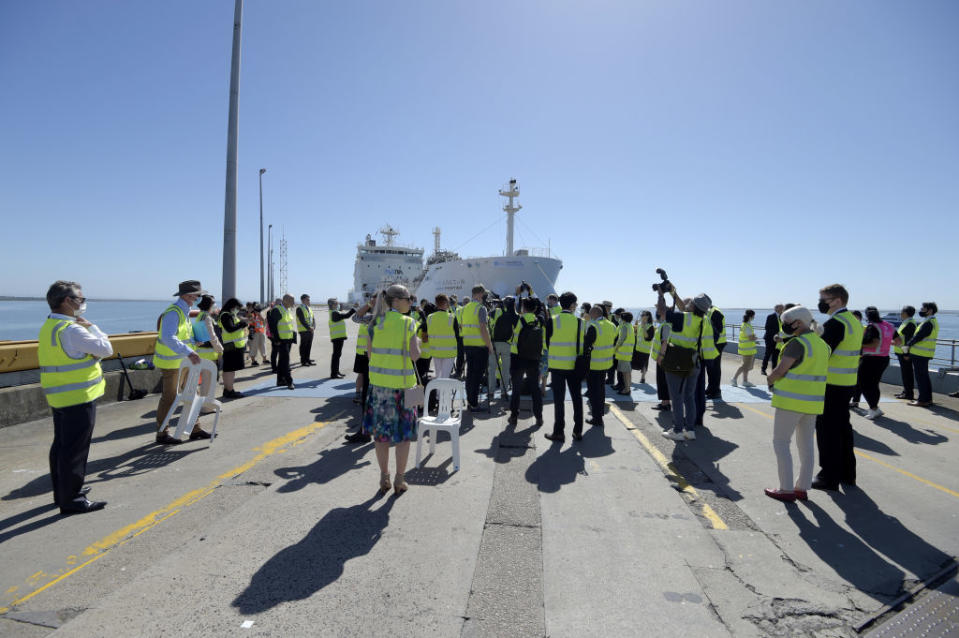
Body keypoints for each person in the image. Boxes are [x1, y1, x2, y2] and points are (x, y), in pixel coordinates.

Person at [39, 281, 112, 514]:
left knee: (61, 446)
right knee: (75, 450)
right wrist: (92, 327)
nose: (82, 303)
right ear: (67, 301)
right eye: (80, 299)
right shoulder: (73, 329)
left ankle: (62, 492)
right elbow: (105, 349)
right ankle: (73, 499)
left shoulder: (50, 326)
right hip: (79, 397)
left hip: (59, 396)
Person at [764, 306, 829, 502]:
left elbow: (781, 370)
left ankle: (785, 489)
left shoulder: (797, 343)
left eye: (787, 322)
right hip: (813, 403)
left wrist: (769, 380)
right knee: (806, 445)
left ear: (798, 323)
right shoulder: (822, 344)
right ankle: (802, 487)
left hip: (790, 402)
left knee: (781, 443)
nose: (785, 326)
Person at [363, 284, 420, 495]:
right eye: (409, 299)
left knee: (381, 437)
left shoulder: (374, 323)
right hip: (406, 387)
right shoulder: (409, 323)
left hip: (379, 389)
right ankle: (400, 479)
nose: (411, 302)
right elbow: (415, 355)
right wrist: (418, 345)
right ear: (396, 301)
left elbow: (370, 355)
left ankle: (384, 477)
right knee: (405, 437)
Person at [812, 284, 863, 491]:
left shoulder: (836, 323)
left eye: (824, 299)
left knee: (827, 431)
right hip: (847, 383)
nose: (821, 303)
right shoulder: (854, 321)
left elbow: (821, 353)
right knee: (843, 429)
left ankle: (828, 476)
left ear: (838, 300)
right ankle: (847, 473)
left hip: (831, 384)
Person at [153, 280, 211, 445]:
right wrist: (189, 351)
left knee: (193, 395)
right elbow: (168, 337)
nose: (198, 298)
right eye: (196, 295)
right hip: (173, 364)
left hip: (183, 362)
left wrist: (194, 341)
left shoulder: (183, 311)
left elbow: (181, 337)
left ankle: (195, 429)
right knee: (170, 398)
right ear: (187, 296)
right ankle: (162, 433)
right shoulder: (174, 312)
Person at [656, 286, 709, 442]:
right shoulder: (704, 320)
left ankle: (677, 430)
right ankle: (690, 430)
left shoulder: (683, 318)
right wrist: (672, 291)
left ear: (693, 306)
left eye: (691, 302)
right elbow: (681, 307)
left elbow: (662, 312)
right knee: (689, 397)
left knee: (677, 397)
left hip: (677, 361)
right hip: (695, 362)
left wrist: (660, 295)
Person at [544, 291, 585, 443]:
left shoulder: (552, 320)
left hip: (556, 366)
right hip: (574, 365)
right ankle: (578, 431)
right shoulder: (580, 322)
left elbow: (547, 342)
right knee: (577, 398)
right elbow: (581, 345)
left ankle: (559, 432)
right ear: (573, 305)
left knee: (559, 400)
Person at [507, 296, 545, 427]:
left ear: (523, 307)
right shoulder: (539, 320)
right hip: (534, 358)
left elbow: (515, 337)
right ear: (535, 308)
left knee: (516, 388)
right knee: (535, 388)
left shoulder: (520, 319)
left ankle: (513, 416)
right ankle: (539, 417)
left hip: (518, 357)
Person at [858, 306, 899, 419]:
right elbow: (899, 342)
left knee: (863, 383)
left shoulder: (872, 327)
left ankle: (873, 408)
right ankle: (875, 408)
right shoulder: (889, 326)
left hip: (871, 359)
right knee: (874, 384)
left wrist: (858, 344)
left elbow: (874, 344)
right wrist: (886, 343)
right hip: (884, 358)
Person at [459, 285, 495, 410]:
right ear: (480, 294)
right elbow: (483, 329)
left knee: (470, 375)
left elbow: (462, 326)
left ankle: (470, 401)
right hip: (480, 346)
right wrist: (489, 345)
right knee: (477, 376)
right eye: (484, 294)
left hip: (468, 345)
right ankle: (473, 403)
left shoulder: (464, 308)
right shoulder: (481, 308)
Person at [584, 305, 616, 427]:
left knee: (593, 392)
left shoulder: (594, 326)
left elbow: (586, 344)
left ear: (594, 314)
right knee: (601, 391)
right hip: (606, 363)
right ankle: (600, 415)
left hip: (594, 364)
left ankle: (596, 418)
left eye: (590, 315)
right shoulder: (611, 325)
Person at [904, 301, 939, 407]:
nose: (921, 310)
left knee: (921, 378)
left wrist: (908, 345)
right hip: (924, 354)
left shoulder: (928, 323)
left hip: (920, 354)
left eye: (923, 309)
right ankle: (928, 399)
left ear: (930, 310)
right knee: (924, 377)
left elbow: (918, 336)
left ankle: (922, 400)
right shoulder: (932, 321)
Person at [192, 295, 224, 399]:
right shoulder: (207, 318)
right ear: (209, 304)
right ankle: (206, 405)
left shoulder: (200, 315)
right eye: (213, 302)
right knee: (208, 381)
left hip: (202, 352)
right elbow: (212, 336)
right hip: (209, 354)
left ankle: (205, 403)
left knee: (206, 380)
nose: (215, 304)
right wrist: (220, 349)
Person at [489, 295, 518, 400]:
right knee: (505, 370)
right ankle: (504, 391)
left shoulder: (495, 312)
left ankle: (491, 391)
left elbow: (489, 325)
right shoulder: (515, 315)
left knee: (491, 369)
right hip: (507, 345)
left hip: (494, 344)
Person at [218, 297, 248, 398]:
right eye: (238, 308)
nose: (238, 310)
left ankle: (227, 390)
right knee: (230, 370)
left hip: (232, 345)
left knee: (228, 369)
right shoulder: (226, 315)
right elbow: (230, 329)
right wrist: (241, 324)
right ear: (233, 306)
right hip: (232, 346)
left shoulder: (228, 314)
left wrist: (240, 323)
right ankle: (230, 391)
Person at [426, 294, 459, 380]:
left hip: (435, 351)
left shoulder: (430, 317)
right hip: (449, 352)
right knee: (445, 377)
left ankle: (438, 393)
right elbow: (457, 336)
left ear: (436, 303)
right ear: (446, 303)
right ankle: (443, 393)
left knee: (438, 376)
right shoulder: (452, 317)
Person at [268, 294, 297, 389]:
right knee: (286, 361)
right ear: (285, 300)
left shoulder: (287, 310)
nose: (293, 302)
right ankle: (289, 381)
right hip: (281, 340)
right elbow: (273, 327)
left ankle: (280, 380)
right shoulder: (277, 310)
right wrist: (276, 339)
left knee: (281, 361)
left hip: (288, 339)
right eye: (292, 300)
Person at [327, 297, 356, 378]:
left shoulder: (335, 312)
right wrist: (354, 309)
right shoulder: (334, 313)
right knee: (336, 355)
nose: (338, 304)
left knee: (337, 355)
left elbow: (344, 315)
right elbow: (347, 315)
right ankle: (334, 374)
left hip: (338, 337)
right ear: (332, 305)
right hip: (337, 337)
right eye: (336, 303)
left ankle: (336, 371)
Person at [893, 306, 918, 400]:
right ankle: (905, 391)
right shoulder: (906, 323)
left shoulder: (910, 323)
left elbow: (907, 340)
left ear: (905, 313)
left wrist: (906, 354)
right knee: (905, 373)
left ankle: (908, 393)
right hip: (901, 351)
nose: (900, 314)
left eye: (902, 312)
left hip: (904, 353)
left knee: (907, 373)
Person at [650, 309, 672, 412]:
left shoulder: (666, 325)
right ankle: (665, 402)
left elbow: (665, 342)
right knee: (663, 381)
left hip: (664, 358)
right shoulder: (665, 324)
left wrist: (661, 356)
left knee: (663, 381)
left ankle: (665, 403)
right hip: (665, 357)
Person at [731, 309, 758, 387]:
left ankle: (745, 381)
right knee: (745, 365)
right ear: (751, 316)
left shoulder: (746, 325)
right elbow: (751, 338)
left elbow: (750, 337)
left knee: (747, 366)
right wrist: (755, 338)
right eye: (754, 316)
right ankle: (734, 378)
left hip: (749, 349)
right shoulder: (746, 325)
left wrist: (753, 337)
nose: (754, 317)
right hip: (747, 349)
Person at [704, 304, 726, 398]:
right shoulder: (711, 312)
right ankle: (710, 388)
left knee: (715, 368)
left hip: (717, 344)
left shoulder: (715, 312)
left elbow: (718, 330)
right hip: (714, 343)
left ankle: (716, 391)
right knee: (710, 368)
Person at [613, 311, 635, 395]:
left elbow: (621, 340)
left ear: (623, 319)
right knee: (627, 372)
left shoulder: (624, 327)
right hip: (628, 353)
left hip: (623, 353)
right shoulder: (630, 326)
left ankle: (627, 389)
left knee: (625, 373)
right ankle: (627, 388)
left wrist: (615, 348)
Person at [761, 304, 785, 375]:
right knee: (767, 354)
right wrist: (776, 333)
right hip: (769, 339)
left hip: (778, 340)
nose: (782, 309)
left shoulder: (782, 317)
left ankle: (774, 371)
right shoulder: (770, 316)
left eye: (783, 308)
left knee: (776, 355)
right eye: (781, 308)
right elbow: (767, 327)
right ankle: (763, 369)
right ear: (776, 308)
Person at [632, 311, 654, 384]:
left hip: (645, 350)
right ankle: (629, 377)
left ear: (647, 316)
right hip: (637, 348)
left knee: (644, 365)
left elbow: (647, 337)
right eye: (641, 315)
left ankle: (643, 378)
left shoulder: (650, 326)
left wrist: (644, 326)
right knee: (632, 363)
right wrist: (635, 327)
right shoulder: (639, 325)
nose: (641, 316)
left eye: (643, 315)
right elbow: (635, 335)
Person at [296, 294, 316, 367]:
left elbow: (313, 318)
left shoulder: (309, 308)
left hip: (310, 330)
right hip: (304, 330)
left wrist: (314, 326)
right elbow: (302, 320)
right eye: (308, 299)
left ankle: (307, 359)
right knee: (304, 346)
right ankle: (303, 361)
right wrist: (309, 328)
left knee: (309, 345)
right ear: (303, 300)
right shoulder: (299, 308)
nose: (309, 301)